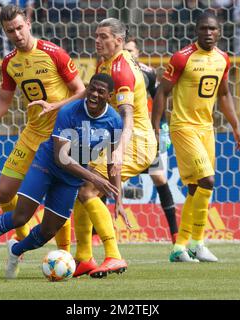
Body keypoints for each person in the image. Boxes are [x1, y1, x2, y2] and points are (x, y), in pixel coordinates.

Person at [0, 74, 124, 279]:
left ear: (110, 95)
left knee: (47, 232)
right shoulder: (70, 111)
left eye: (101, 91)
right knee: (20, 216)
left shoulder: (114, 121)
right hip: (48, 165)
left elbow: (113, 161)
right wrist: (94, 177)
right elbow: (61, 157)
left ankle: (15, 251)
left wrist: (119, 199)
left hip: (71, 179)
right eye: (92, 89)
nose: (94, 95)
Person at [0, 4, 85, 250]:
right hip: (32, 133)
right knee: (3, 193)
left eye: (19, 28)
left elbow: (81, 91)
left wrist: (55, 105)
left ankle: (64, 254)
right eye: (10, 31)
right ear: (4, 32)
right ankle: (20, 236)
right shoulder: (9, 63)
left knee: (54, 200)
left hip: (59, 136)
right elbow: (4, 100)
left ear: (27, 23)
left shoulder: (53, 52)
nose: (16, 34)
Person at [152, 12, 240, 263]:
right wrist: (155, 128)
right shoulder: (182, 58)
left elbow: (224, 94)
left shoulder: (223, 59)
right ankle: (197, 242)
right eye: (203, 28)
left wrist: (235, 126)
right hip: (183, 126)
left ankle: (180, 247)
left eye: (212, 29)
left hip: (207, 128)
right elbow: (162, 92)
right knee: (208, 180)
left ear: (219, 32)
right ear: (196, 30)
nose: (208, 32)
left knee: (196, 187)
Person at [69, 18, 157, 278]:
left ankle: (114, 255)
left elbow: (127, 115)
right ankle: (84, 258)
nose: (97, 40)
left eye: (104, 36)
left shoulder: (121, 70)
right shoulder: (105, 64)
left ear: (119, 40)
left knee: (88, 188)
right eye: (96, 35)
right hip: (118, 139)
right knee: (81, 190)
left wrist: (118, 150)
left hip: (136, 140)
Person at [124, 37, 179, 244]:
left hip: (144, 135)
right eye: (124, 50)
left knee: (158, 177)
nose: (128, 53)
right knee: (106, 180)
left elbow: (160, 99)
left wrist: (161, 129)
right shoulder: (113, 70)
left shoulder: (147, 73)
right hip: (122, 135)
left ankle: (175, 234)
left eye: (131, 50)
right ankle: (95, 235)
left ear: (138, 52)